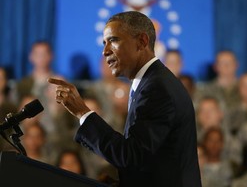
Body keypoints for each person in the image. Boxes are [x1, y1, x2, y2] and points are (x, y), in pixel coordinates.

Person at [48, 11, 202, 187]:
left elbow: (130, 157)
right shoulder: (150, 83)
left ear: (142, 42)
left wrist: (82, 112)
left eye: (113, 40)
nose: (105, 51)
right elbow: (148, 159)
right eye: (104, 43)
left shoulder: (157, 88)